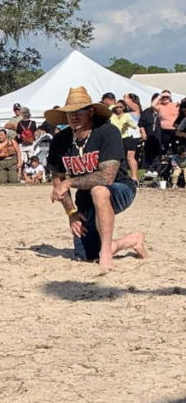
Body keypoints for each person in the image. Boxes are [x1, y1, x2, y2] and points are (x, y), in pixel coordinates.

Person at [45, 87, 147, 271]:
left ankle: (106, 252)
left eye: (80, 111)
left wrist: (69, 182)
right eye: (70, 112)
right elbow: (57, 179)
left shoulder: (107, 131)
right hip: (85, 198)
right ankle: (129, 241)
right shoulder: (60, 140)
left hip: (120, 188)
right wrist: (71, 213)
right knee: (85, 255)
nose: (74, 116)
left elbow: (107, 177)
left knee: (99, 190)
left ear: (91, 111)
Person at [110, 100, 140, 182]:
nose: (118, 109)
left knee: (130, 157)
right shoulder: (112, 116)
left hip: (127, 137)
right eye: (116, 107)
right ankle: (119, 176)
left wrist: (128, 122)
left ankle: (134, 177)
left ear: (124, 107)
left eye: (121, 107)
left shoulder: (127, 115)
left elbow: (134, 126)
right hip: (116, 139)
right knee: (117, 158)